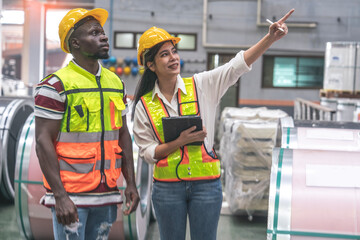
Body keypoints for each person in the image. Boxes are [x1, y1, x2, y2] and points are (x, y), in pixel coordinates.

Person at [132, 9, 294, 240]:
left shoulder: (202, 85)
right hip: (167, 188)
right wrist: (180, 142)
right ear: (151, 65)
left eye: (174, 52)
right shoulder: (144, 106)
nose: (173, 58)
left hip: (206, 186)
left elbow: (237, 66)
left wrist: (270, 38)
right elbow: (147, 153)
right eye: (164, 55)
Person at [34, 8, 139, 240]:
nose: (103, 37)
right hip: (71, 197)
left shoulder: (116, 84)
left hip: (107, 195)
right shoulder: (55, 86)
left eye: (102, 32)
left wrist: (131, 182)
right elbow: (42, 142)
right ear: (76, 43)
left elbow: (123, 135)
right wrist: (60, 196)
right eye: (94, 33)